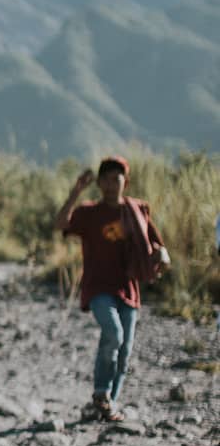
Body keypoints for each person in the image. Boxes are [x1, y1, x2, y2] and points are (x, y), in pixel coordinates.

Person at [55, 155, 168, 422]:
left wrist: (162, 256)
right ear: (99, 183)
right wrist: (75, 191)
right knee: (113, 334)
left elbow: (158, 246)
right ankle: (101, 392)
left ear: (125, 182)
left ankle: (108, 406)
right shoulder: (89, 213)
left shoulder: (136, 212)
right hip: (98, 288)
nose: (109, 184)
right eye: (104, 179)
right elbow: (61, 223)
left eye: (115, 179)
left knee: (124, 352)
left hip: (128, 289)